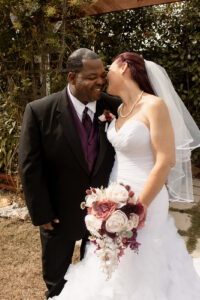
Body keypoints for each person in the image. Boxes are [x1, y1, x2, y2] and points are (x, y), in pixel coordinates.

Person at [49, 52, 200, 300]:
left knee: (143, 259)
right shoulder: (119, 108)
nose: (104, 75)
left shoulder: (154, 105)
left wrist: (139, 207)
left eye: (109, 68)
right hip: (113, 194)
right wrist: (108, 201)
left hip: (146, 196)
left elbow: (165, 161)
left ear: (126, 67)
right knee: (111, 256)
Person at [18, 48, 120, 299]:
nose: (100, 81)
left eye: (101, 75)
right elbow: (30, 167)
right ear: (71, 78)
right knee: (56, 281)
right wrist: (41, 212)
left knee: (100, 278)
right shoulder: (40, 111)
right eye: (91, 77)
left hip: (103, 213)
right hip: (58, 213)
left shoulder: (114, 106)